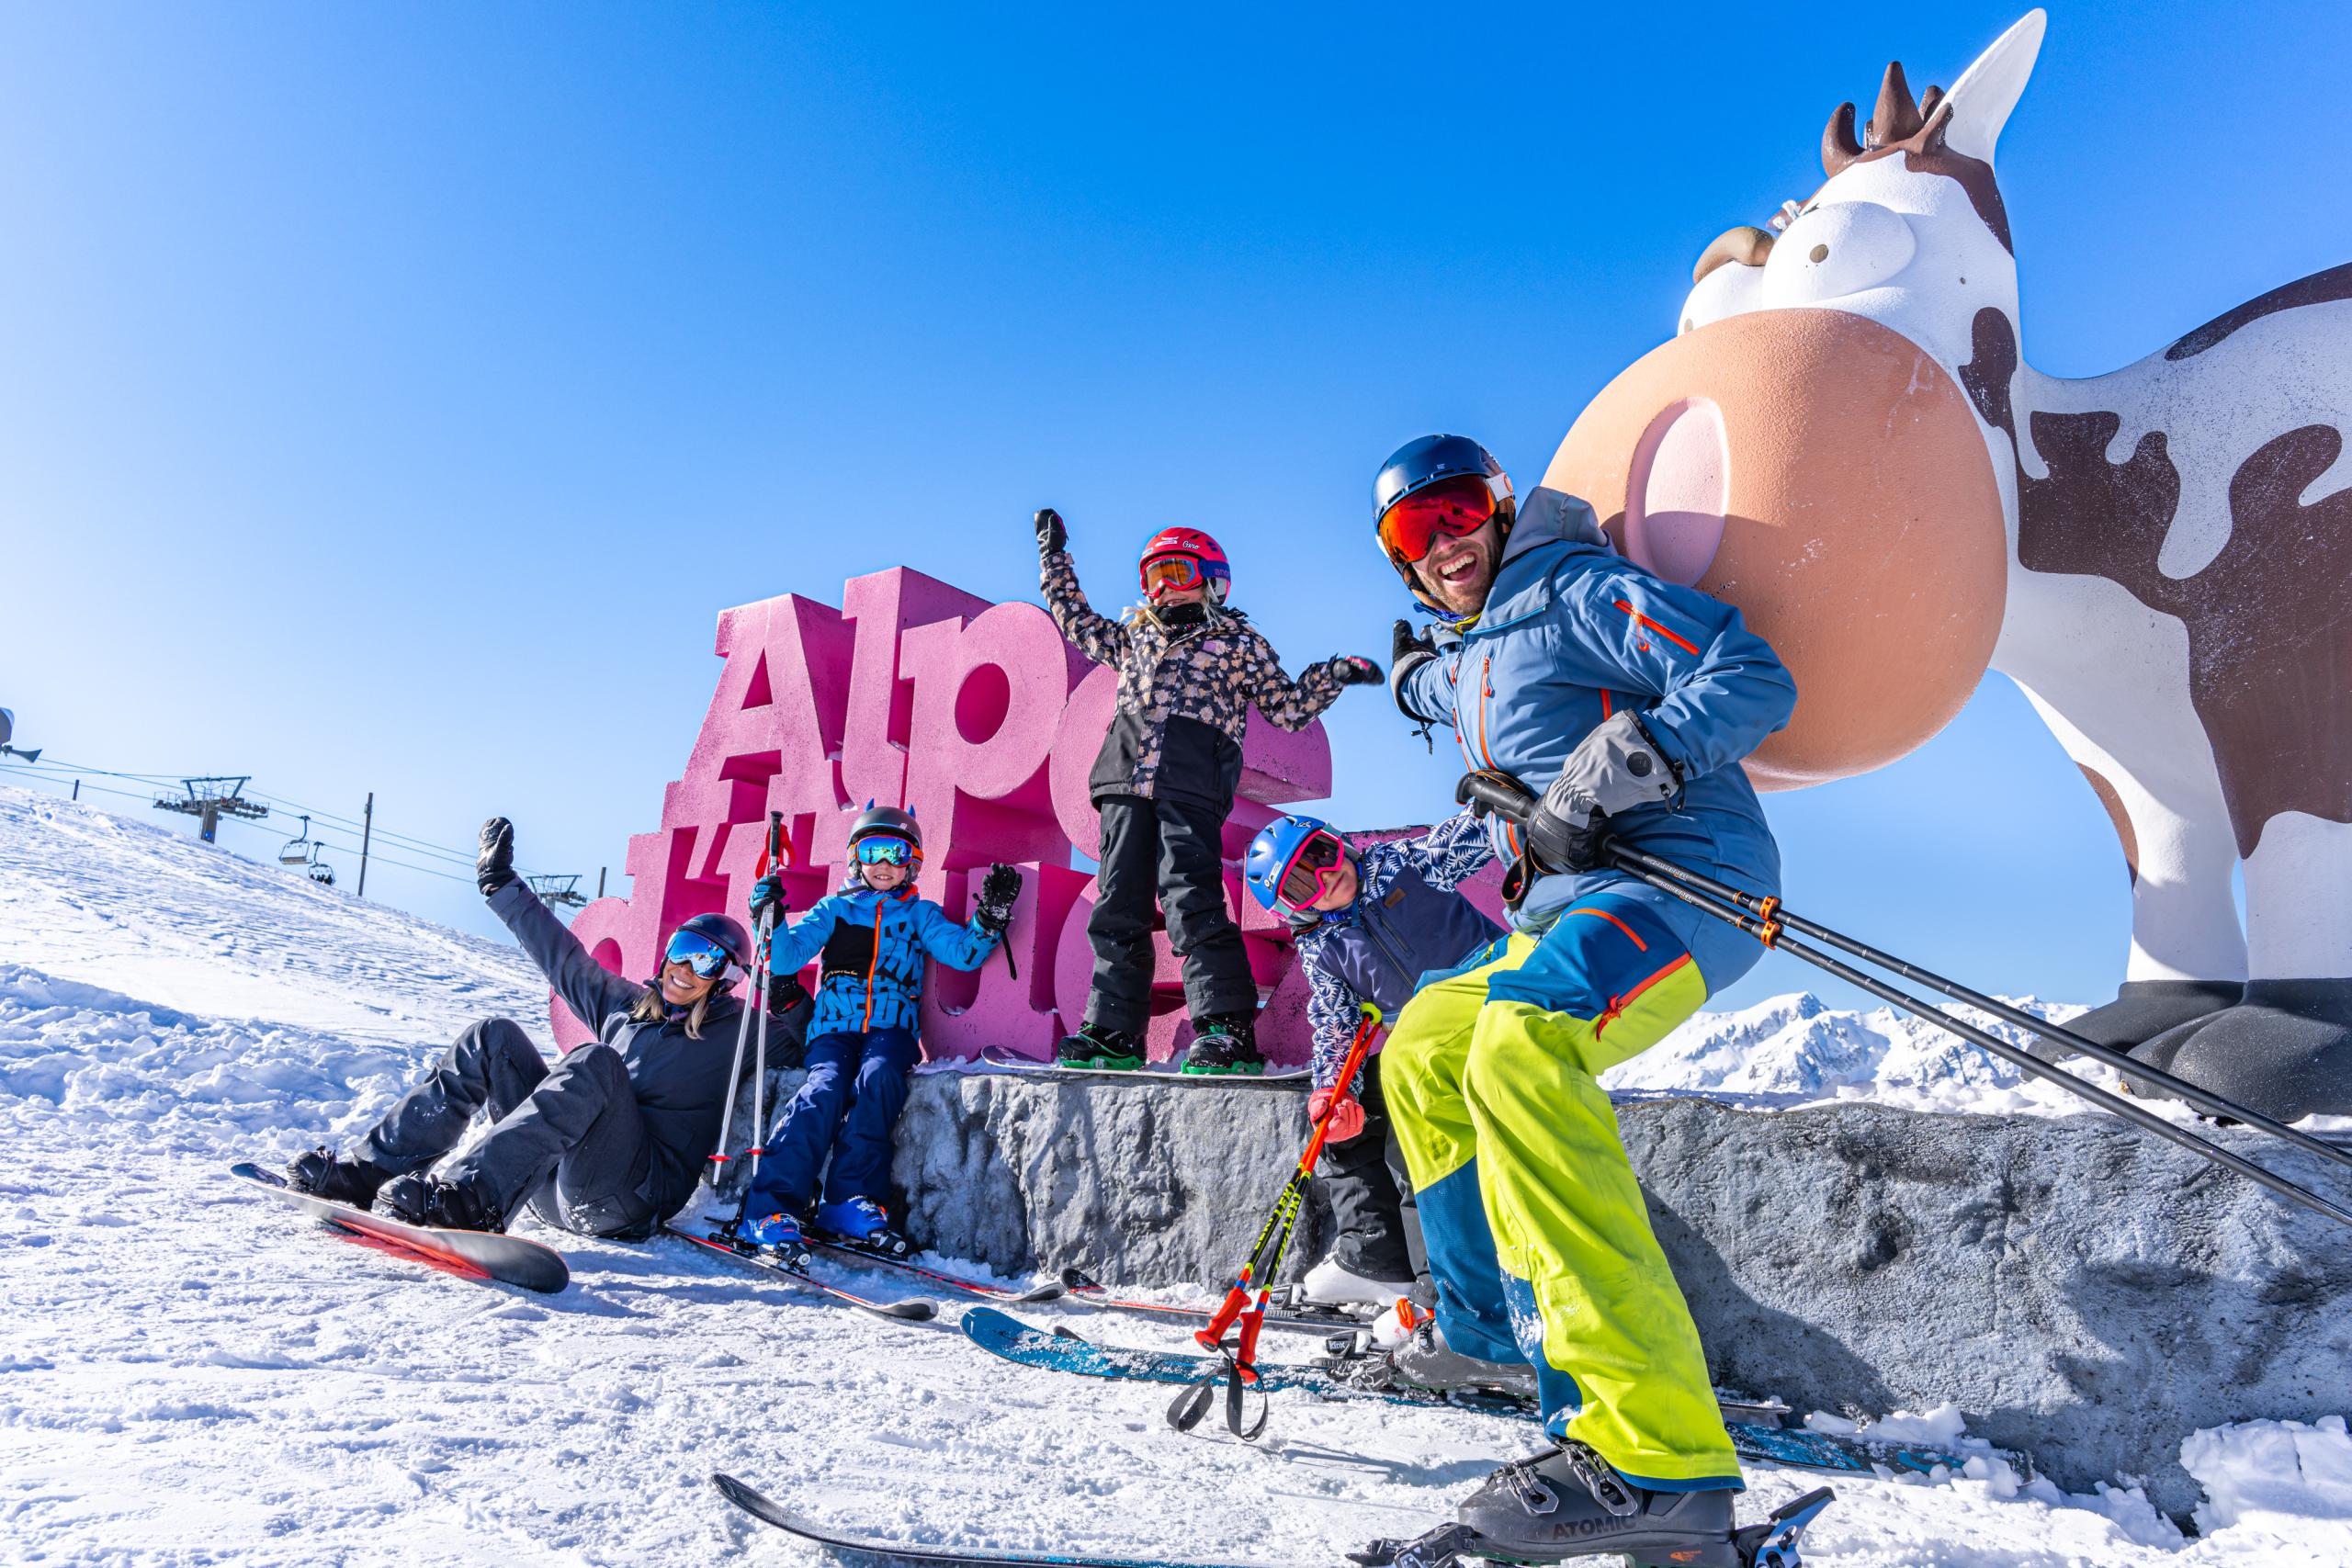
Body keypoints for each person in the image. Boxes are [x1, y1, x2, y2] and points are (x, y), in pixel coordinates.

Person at [1371, 434, 1799, 1563]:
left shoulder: (1575, 589)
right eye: (1414, 530)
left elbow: (1749, 674)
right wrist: (1410, 677)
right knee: (1425, 1044)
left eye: (1461, 508)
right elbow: (1447, 679)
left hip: (1683, 882)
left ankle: (1653, 1454)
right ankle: (1484, 1329)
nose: (1445, 539)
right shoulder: (1472, 646)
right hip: (1562, 908)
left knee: (1522, 1046)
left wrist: (1612, 770)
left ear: (1501, 509)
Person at [286, 817, 807, 1238]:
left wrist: (783, 971)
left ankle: (472, 1199)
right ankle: (372, 1173)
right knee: (493, 1037)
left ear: (727, 979)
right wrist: (500, 885)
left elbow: (811, 1037)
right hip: (547, 1183)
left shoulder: (741, 1033)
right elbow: (564, 960)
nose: (685, 968)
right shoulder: (627, 1006)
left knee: (595, 1061)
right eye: (683, 950)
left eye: (707, 961)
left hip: (627, 1196)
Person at [1035, 506, 1384, 1074]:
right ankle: (1113, 1031)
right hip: (1125, 782)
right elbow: (1075, 619)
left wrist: (1332, 676)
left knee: (1190, 898)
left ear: (1213, 581)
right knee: (1117, 903)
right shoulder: (1135, 636)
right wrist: (1054, 559)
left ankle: (1225, 1027)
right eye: (1154, 577)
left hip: (1190, 783)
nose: (1166, 588)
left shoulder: (1237, 642)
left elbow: (1286, 707)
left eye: (1179, 573)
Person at [733, 805, 1021, 1261]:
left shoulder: (919, 914)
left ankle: (848, 1201)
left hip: (892, 1029)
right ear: (856, 859)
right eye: (873, 852)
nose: (884, 864)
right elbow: (785, 959)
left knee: (880, 1078)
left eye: (896, 853)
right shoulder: (834, 909)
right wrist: (767, 915)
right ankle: (770, 1207)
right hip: (833, 1029)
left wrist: (990, 918)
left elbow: (963, 953)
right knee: (824, 1089)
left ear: (912, 863)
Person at [1240, 809, 1499, 1312]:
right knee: (1361, 1120)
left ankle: (1442, 1291)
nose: (1325, 876)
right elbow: (1336, 1024)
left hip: (1494, 1004)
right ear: (1292, 909)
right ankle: (1383, 1261)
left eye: (1322, 854)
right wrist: (1333, 1091)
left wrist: (1502, 809)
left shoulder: (1399, 866)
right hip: (1428, 1047)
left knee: (1416, 1143)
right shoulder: (1323, 946)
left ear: (1339, 842)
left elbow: (1467, 839)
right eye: (1301, 884)